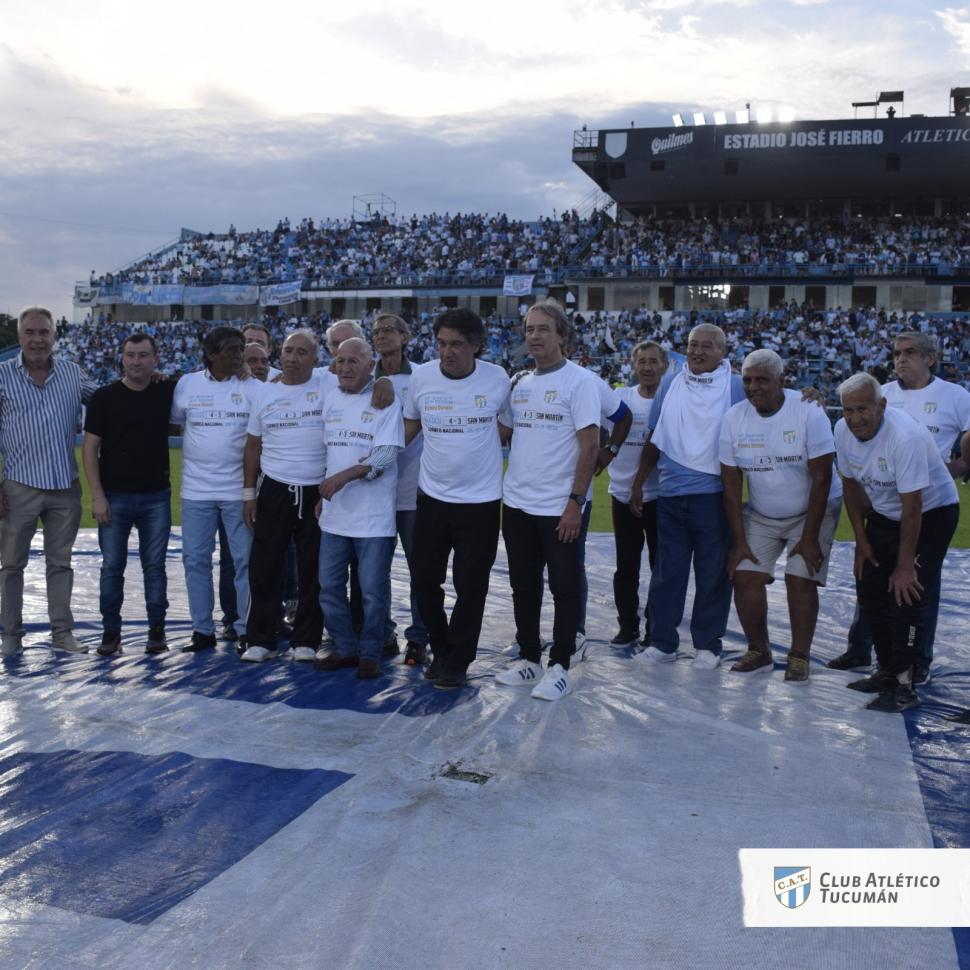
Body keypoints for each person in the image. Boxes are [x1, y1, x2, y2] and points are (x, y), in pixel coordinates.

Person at [827, 331, 970, 681]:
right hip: (886, 503)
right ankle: (883, 665)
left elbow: (915, 504)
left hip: (929, 507)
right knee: (871, 584)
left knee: (910, 588)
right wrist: (862, 540)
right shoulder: (856, 415)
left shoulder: (924, 419)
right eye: (897, 353)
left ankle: (911, 670)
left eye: (910, 352)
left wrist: (905, 564)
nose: (855, 417)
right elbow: (851, 485)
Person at [497, 300, 600, 701]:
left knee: (565, 586)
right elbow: (500, 434)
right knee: (523, 586)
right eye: (529, 329)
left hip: (560, 506)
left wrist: (576, 502)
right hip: (519, 503)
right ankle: (528, 658)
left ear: (561, 335)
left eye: (543, 329)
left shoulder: (581, 382)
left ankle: (560, 666)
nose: (534, 336)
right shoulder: (519, 384)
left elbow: (590, 448)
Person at [403, 308, 511, 690]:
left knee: (472, 585)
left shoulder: (497, 379)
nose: (447, 352)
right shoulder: (422, 377)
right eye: (441, 343)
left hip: (481, 503)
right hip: (432, 498)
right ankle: (442, 647)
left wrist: (476, 451)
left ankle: (457, 660)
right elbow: (411, 424)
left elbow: (508, 424)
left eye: (457, 345)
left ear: (477, 346)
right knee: (424, 580)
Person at [719, 349, 842, 681]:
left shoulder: (808, 411)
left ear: (782, 381)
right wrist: (739, 541)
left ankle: (799, 656)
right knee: (744, 576)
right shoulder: (734, 417)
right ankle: (759, 650)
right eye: (747, 379)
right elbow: (731, 482)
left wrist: (809, 537)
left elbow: (822, 477)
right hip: (761, 513)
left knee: (800, 577)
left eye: (762, 379)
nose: (753, 386)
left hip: (812, 510)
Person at [630, 324, 744, 668]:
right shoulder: (670, 382)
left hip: (713, 496)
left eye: (706, 347)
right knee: (667, 573)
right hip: (670, 494)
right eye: (693, 345)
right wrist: (638, 482)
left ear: (721, 353)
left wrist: (809, 394)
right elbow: (655, 435)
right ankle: (663, 643)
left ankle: (708, 645)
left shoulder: (736, 386)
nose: (696, 352)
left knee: (712, 574)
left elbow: (775, 404)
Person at [0, 306, 98, 656]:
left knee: (60, 564)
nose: (37, 339)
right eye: (30, 332)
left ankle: (62, 634)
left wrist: (150, 383)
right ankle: (10, 635)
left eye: (44, 332)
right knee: (11, 565)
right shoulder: (2, 375)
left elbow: (108, 402)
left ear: (54, 336)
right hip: (18, 486)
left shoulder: (73, 374)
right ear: (19, 336)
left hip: (64, 486)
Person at [314, 338, 403, 679]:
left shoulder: (384, 399)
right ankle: (345, 647)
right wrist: (326, 492)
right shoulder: (331, 397)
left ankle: (370, 653)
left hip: (372, 518)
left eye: (355, 361)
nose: (347, 367)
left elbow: (386, 455)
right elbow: (330, 453)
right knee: (330, 586)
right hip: (335, 516)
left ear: (371, 366)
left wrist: (344, 476)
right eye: (341, 361)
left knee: (372, 592)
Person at [82, 333, 174, 656]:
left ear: (155, 360)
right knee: (111, 567)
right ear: (121, 358)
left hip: (156, 496)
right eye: (131, 355)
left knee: (155, 567)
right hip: (115, 497)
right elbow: (90, 448)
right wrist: (97, 495)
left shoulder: (167, 390)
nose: (137, 361)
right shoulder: (104, 398)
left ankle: (157, 631)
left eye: (143, 355)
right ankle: (110, 633)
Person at [241, 330, 328, 662]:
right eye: (288, 351)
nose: (292, 357)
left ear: (315, 360)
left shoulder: (327, 388)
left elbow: (364, 377)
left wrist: (384, 383)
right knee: (265, 566)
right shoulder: (264, 394)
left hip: (315, 489)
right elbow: (253, 446)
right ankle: (260, 638)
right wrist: (249, 494)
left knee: (313, 569)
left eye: (301, 352)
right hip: (275, 486)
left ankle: (306, 639)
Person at [170, 327, 257, 652]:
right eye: (232, 350)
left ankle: (245, 629)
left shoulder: (253, 387)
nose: (239, 356)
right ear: (211, 354)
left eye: (241, 349)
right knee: (195, 560)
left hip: (238, 492)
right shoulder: (187, 384)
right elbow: (176, 420)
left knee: (244, 560)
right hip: (196, 491)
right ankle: (202, 630)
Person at [372, 312, 429, 666]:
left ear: (405, 336)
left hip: (411, 488)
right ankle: (382, 634)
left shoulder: (422, 375)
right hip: (372, 491)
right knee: (373, 570)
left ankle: (419, 638)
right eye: (375, 332)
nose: (380, 336)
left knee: (419, 568)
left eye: (388, 330)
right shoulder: (362, 373)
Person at [607, 340, 668, 648]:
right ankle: (628, 626)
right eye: (641, 361)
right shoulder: (620, 397)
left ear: (664, 366)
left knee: (661, 568)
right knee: (626, 567)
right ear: (634, 366)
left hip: (660, 497)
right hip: (621, 496)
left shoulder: (671, 401)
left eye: (653, 361)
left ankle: (654, 629)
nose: (647, 367)